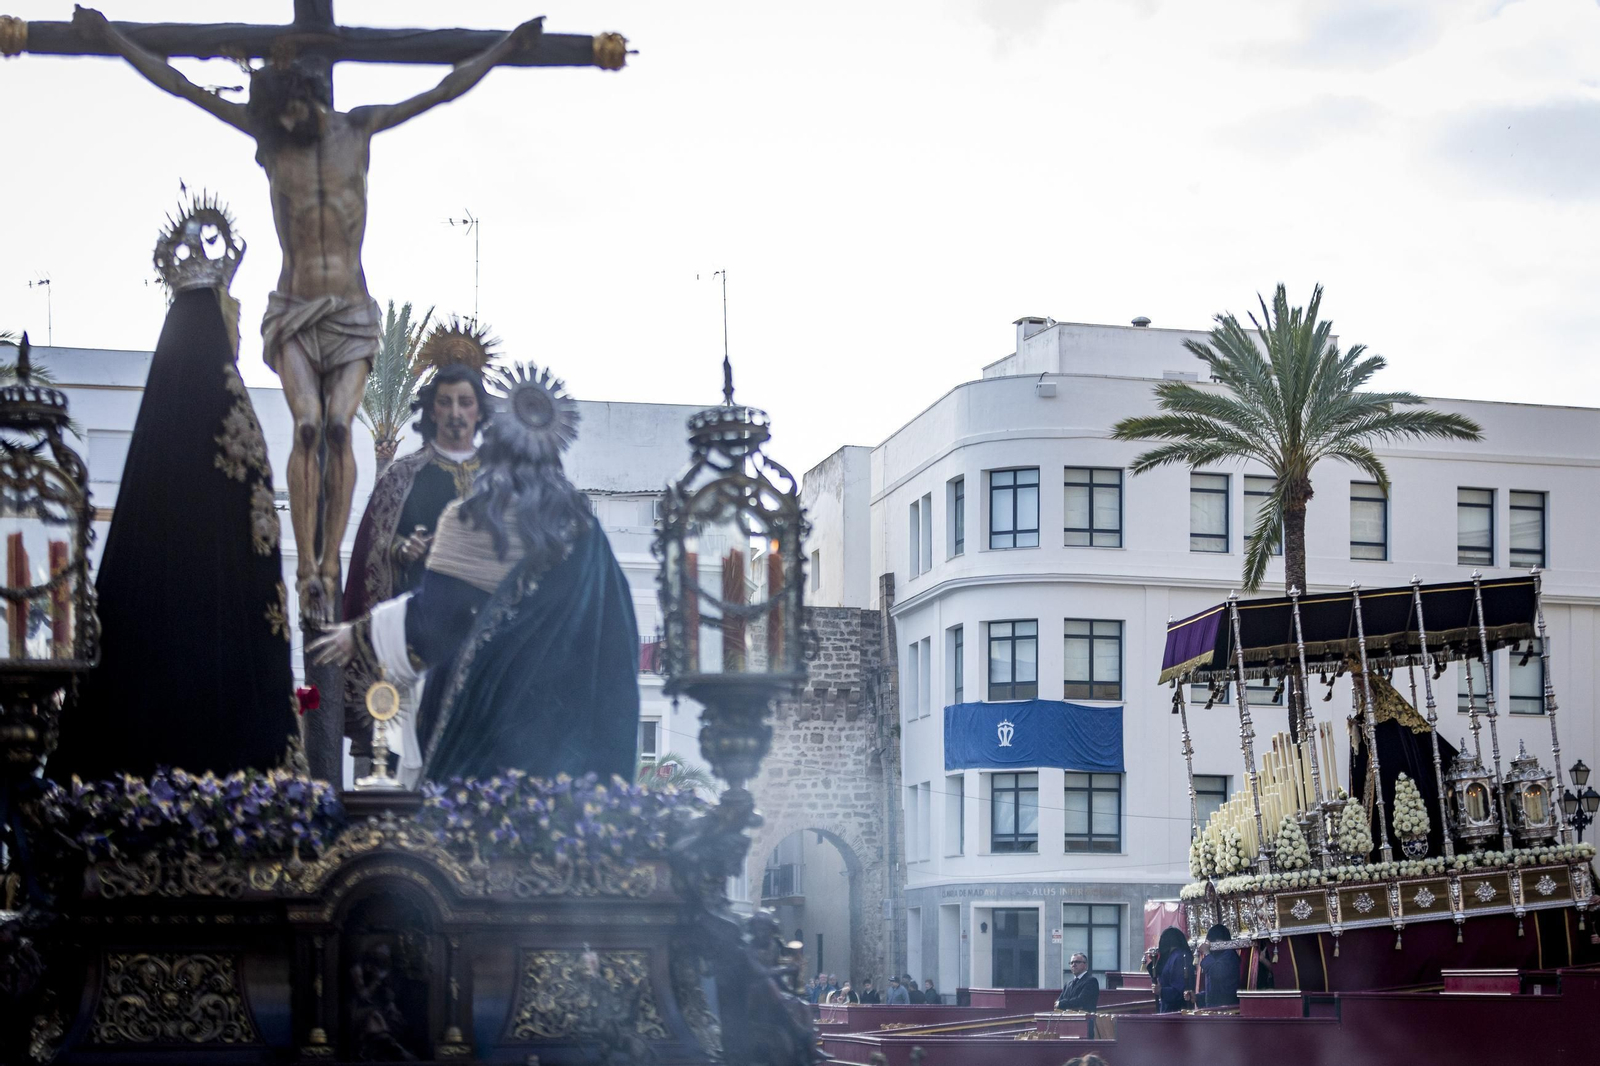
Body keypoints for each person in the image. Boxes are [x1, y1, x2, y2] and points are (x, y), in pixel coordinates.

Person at [72, 6, 542, 621]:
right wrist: (109, 36)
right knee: (308, 428)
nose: (285, 127)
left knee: (342, 429)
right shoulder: (269, 136)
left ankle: (332, 558)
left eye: (292, 115)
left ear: (309, 98)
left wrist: (505, 47)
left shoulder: (361, 130)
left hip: (349, 310)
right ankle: (306, 566)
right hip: (294, 308)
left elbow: (442, 89)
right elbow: (179, 86)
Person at [52, 198, 295, 781]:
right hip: (221, 643)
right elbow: (255, 531)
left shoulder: (160, 415)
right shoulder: (229, 402)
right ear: (214, 320)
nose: (237, 325)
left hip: (151, 651)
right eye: (231, 311)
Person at [310, 364, 639, 782]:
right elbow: (617, 635)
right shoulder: (582, 530)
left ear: (493, 439)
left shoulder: (471, 520)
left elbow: (436, 618)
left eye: (466, 403)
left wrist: (358, 633)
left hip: (487, 729)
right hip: (567, 737)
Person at [343, 328, 493, 780]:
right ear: (430, 410)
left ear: (479, 410)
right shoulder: (402, 476)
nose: (455, 413)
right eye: (445, 403)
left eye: (465, 403)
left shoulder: (502, 479)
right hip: (420, 644)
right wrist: (401, 551)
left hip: (487, 637)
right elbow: (371, 553)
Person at [1198, 924, 1242, 1008]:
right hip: (1215, 1006)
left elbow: (1217, 973)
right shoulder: (1215, 957)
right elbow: (1214, 989)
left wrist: (1207, 954)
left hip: (1227, 1006)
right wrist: (1197, 997)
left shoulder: (1229, 955)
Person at [1152, 926, 1194, 1013]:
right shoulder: (1172, 956)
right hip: (1169, 1007)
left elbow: (1179, 990)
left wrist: (1161, 991)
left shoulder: (1179, 957)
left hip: (1176, 1010)